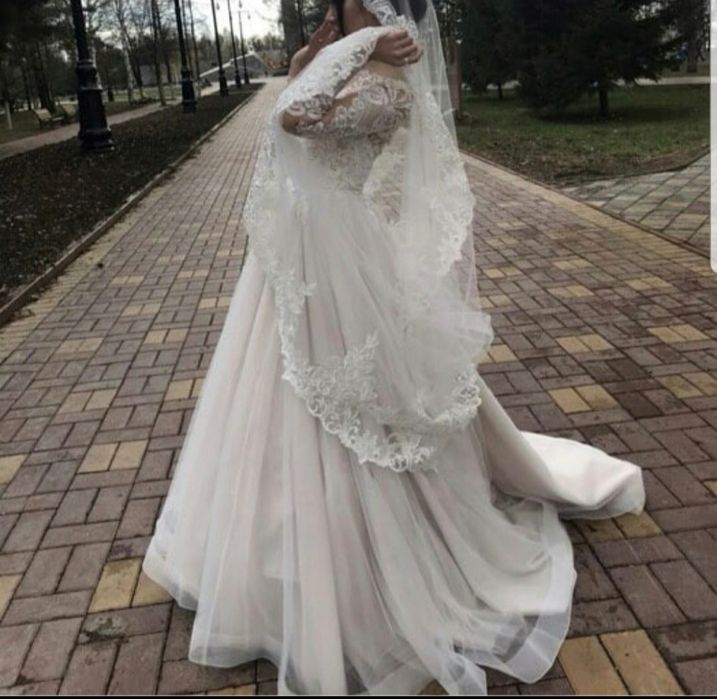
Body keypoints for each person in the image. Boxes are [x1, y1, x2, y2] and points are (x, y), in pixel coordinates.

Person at [142, 1, 646, 694]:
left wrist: (352, 50)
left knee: (349, 398)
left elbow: (294, 119)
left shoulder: (386, 85)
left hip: (339, 255)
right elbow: (292, 114)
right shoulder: (353, 68)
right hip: (302, 256)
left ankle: (358, 556)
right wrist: (305, 62)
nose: (335, 10)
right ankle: (265, 541)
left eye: (350, 2)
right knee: (272, 392)